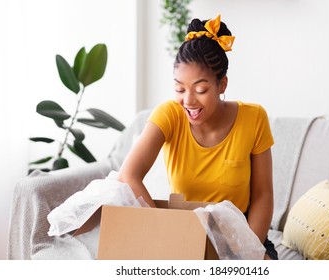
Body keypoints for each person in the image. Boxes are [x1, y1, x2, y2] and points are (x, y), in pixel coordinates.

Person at [117, 14, 278, 260]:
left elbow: (263, 195)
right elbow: (128, 176)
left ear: (222, 84)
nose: (188, 101)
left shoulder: (254, 118)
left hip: (242, 237)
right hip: (185, 234)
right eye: (179, 89)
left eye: (201, 89)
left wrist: (249, 253)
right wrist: (166, 232)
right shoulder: (169, 115)